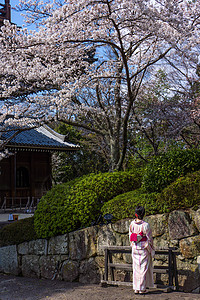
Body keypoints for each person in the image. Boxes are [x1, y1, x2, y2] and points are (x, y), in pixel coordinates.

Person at [129, 205, 155, 294]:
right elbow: (149, 238)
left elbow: (130, 236)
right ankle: (142, 288)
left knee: (136, 268)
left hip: (135, 247)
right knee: (143, 268)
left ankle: (136, 288)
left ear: (136, 214)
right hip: (143, 248)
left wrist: (133, 243)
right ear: (143, 214)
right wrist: (151, 247)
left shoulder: (132, 224)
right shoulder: (146, 225)